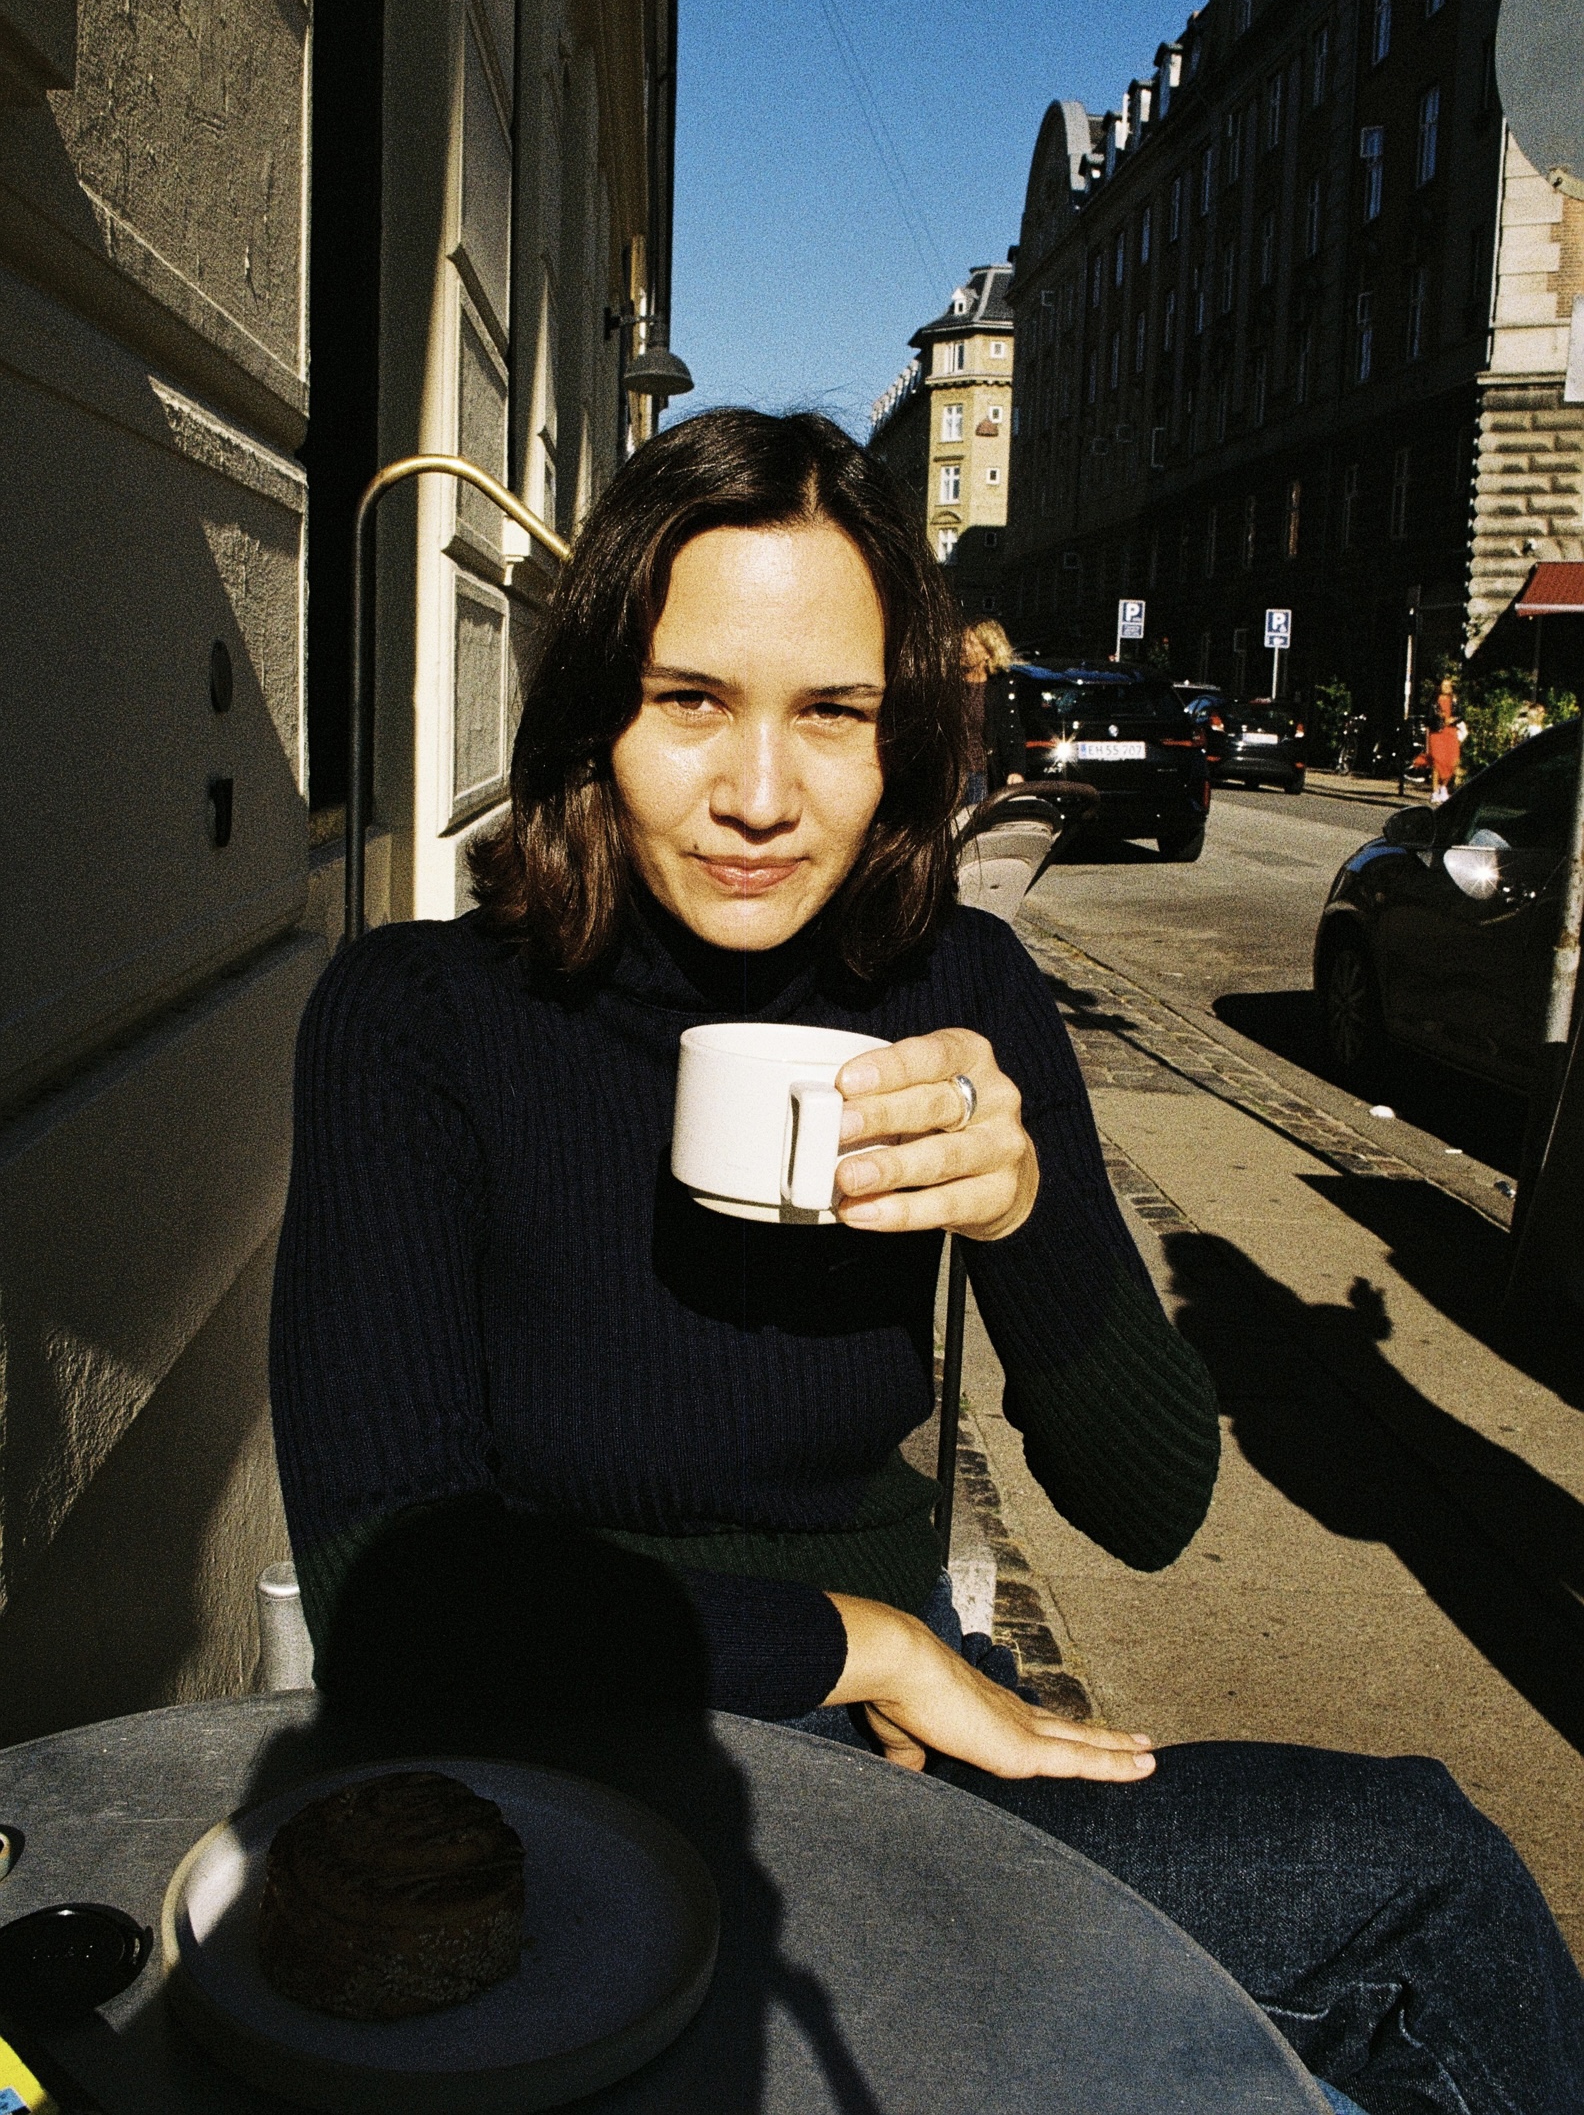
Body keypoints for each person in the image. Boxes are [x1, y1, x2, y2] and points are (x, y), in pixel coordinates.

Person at [272, 409, 1584, 2114]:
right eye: (690, 702)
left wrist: (1025, 1213)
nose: (759, 796)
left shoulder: (958, 989)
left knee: (1423, 1863)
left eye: (829, 712)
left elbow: (1153, 1501)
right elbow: (393, 1592)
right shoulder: (419, 1021)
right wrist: (867, 1645)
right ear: (597, 713)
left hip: (900, 1759)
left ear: (900, 736)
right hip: (562, 1773)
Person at [959, 616, 1026, 810]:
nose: (964, 648)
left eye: (972, 643)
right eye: (963, 641)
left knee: (975, 824)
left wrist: (1016, 770)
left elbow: (1013, 731)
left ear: (988, 652)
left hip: (979, 775)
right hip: (949, 776)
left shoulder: (1000, 686)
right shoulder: (949, 683)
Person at [1426, 676, 1465, 804]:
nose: (1447, 688)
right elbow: (1429, 718)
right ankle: (1434, 791)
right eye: (1444, 685)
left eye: (1449, 686)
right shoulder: (1433, 701)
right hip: (1437, 733)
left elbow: (1460, 714)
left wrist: (1453, 719)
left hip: (1451, 733)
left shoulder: (1455, 700)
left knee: (1452, 761)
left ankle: (1443, 787)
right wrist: (1440, 718)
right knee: (1438, 762)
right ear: (1439, 687)